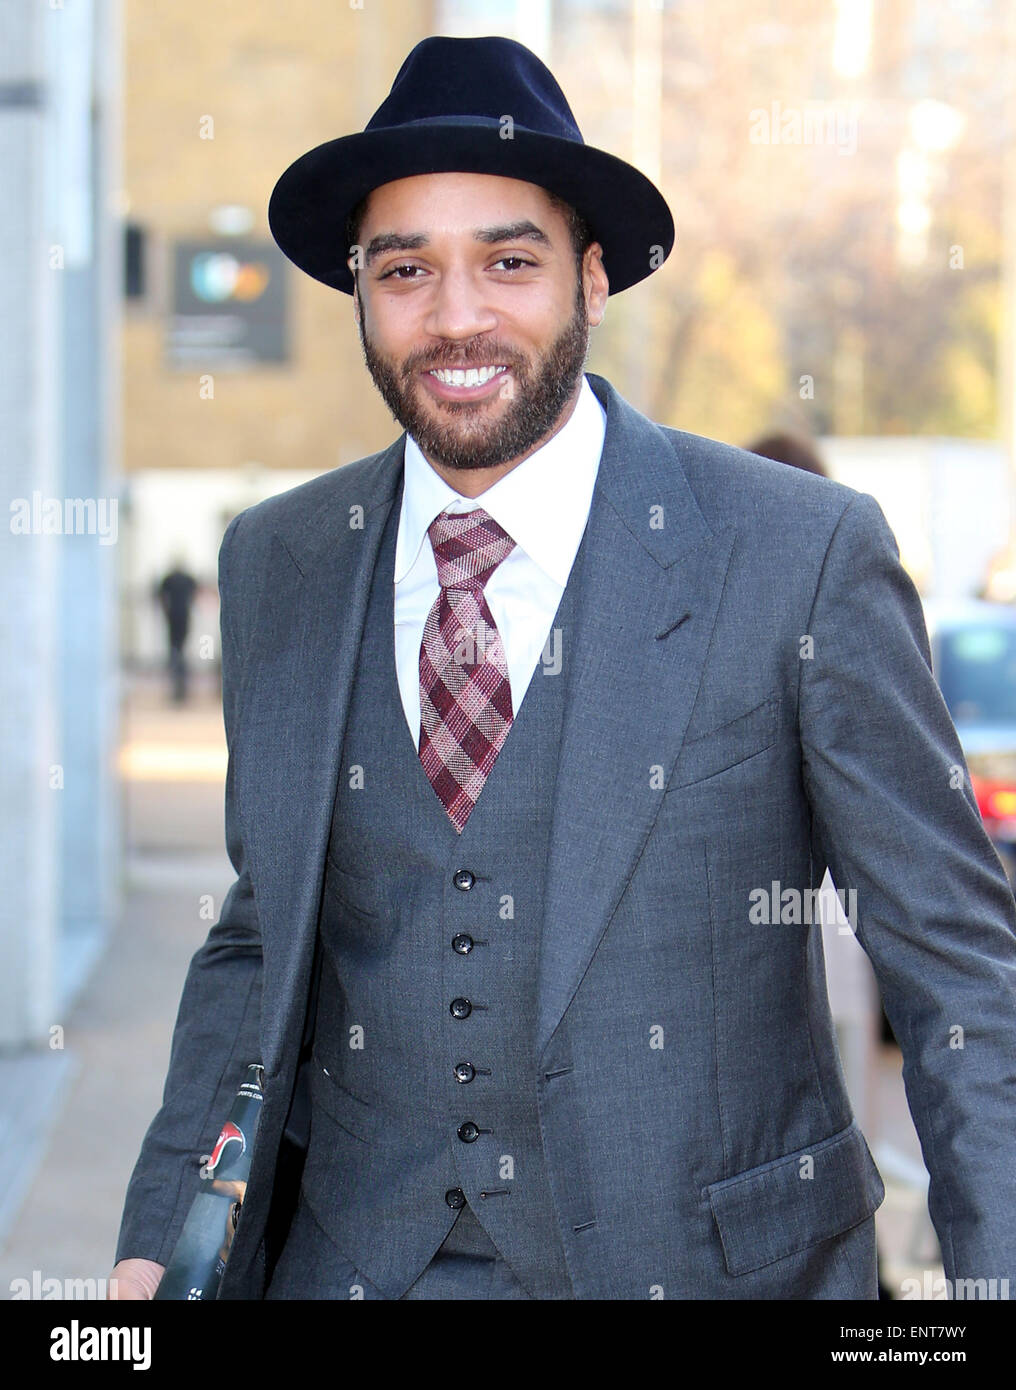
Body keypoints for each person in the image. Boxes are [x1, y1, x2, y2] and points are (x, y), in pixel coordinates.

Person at [111, 35, 1016, 1301]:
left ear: (591, 281)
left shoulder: (795, 551)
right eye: (405, 269)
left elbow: (951, 961)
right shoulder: (280, 562)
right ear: (360, 296)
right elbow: (259, 940)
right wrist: (160, 1235)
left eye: (509, 261)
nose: (457, 314)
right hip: (350, 1265)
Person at [156, 561, 198, 703]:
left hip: (173, 617)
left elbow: (160, 596)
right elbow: (195, 594)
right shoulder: (187, 579)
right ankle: (180, 686)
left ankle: (179, 686)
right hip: (182, 617)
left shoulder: (169, 579)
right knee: (180, 652)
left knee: (176, 651)